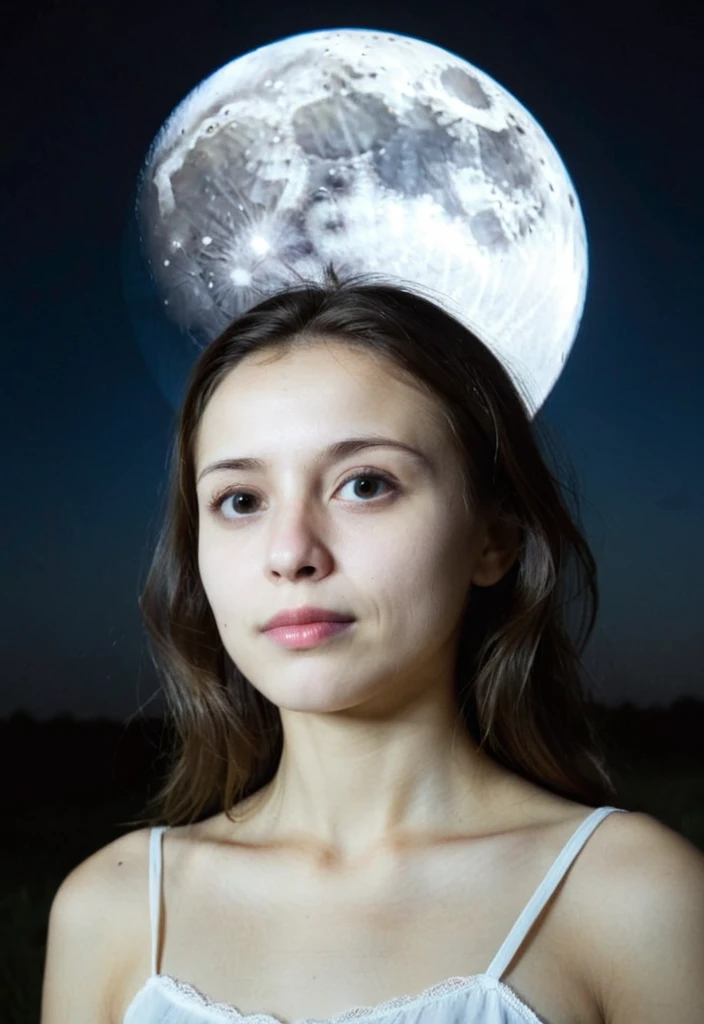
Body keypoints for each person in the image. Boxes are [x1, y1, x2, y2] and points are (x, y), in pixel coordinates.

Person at [41, 269, 704, 1023]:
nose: (291, 553)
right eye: (241, 500)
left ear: (494, 539)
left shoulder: (636, 899)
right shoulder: (110, 909)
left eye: (364, 485)